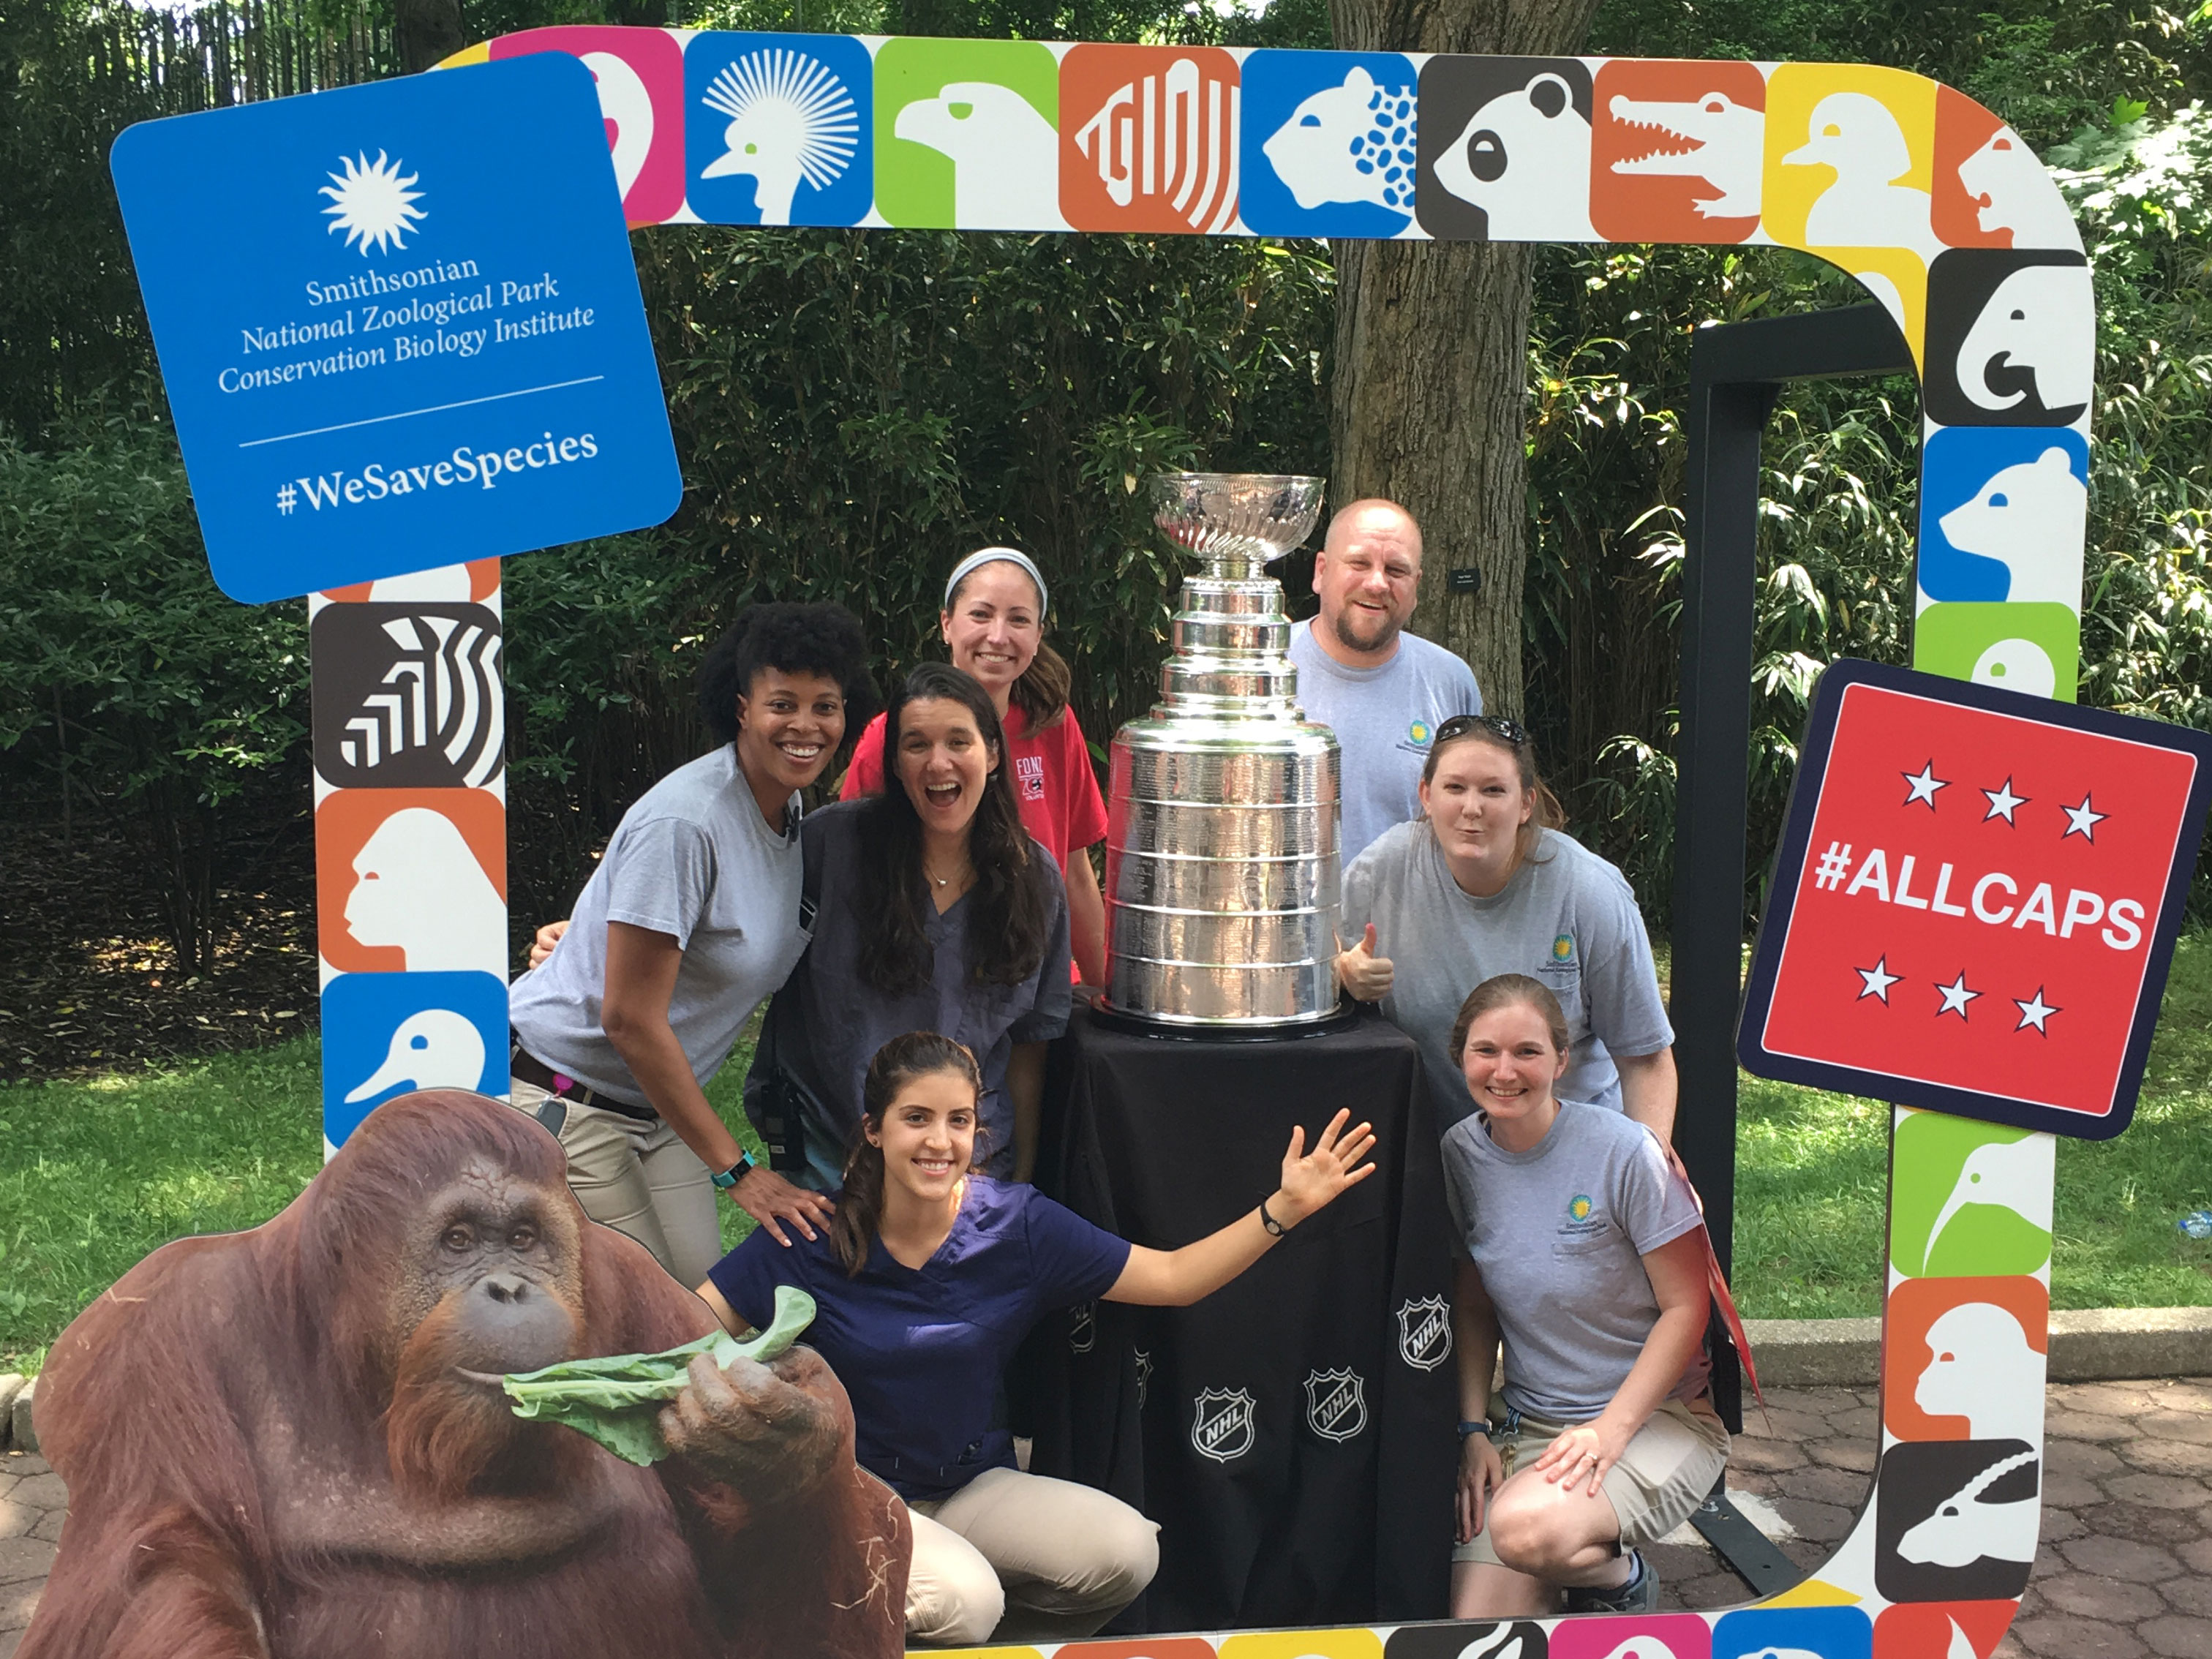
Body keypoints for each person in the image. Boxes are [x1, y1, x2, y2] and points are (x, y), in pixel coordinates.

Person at [698, 1030, 1377, 1646]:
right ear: (874, 1130)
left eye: (958, 1121)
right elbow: (695, 1330)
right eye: (917, 1118)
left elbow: (1173, 1278)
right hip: (844, 1494)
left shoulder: (1016, 1227)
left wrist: (1282, 1210)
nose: (940, 1141)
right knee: (962, 1601)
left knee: (1126, 1551)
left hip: (966, 1487)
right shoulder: (809, 1234)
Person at [506, 603, 876, 1284]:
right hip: (570, 1101)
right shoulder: (689, 821)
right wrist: (739, 1171)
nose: (806, 726)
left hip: (658, 1112)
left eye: (826, 706)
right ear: (741, 709)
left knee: (703, 1315)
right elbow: (627, 1017)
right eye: (783, 704)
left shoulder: (785, 808)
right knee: (641, 1330)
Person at [1443, 975, 1723, 1617]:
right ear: (1461, 1058)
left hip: (1654, 1420)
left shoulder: (1625, 1152)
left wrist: (1608, 1432)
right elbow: (1476, 1301)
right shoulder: (1460, 1154)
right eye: (1486, 1051)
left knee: (1526, 1532)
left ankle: (1620, 1581)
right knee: (1472, 1630)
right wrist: (1472, 1430)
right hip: (1533, 1425)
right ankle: (1579, 1571)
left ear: (1563, 1060)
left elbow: (1689, 1308)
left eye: (1528, 1052)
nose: (1505, 1071)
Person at [761, 661, 1072, 1192]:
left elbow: (1029, 1045)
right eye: (916, 744)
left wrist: (1021, 1175)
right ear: (895, 763)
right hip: (830, 1163)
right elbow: (724, 922)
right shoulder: (830, 849)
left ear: (993, 754)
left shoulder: (1033, 877)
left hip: (969, 1170)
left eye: (958, 741)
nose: (938, 763)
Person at [1336, 714, 1678, 1142]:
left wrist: (1648, 1175)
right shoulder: (1384, 868)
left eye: (1494, 790)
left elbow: (1645, 1059)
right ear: (1426, 795)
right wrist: (1342, 972)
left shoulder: (1588, 891)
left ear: (1526, 804)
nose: (1472, 808)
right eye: (1455, 787)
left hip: (1570, 1148)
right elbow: (1308, 966)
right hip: (1434, 1146)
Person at [842, 548, 1110, 987]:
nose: (998, 636)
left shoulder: (1053, 723)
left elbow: (1075, 872)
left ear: (1039, 633)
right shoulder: (891, 734)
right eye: (981, 615)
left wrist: (1104, 993)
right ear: (947, 624)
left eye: (1019, 620)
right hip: (928, 983)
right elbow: (854, 875)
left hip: (1038, 978)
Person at [1290, 499, 1483, 865]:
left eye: (1396, 570)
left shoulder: (1450, 682)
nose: (1377, 583)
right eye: (1359, 563)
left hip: (1405, 919)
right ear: (1321, 571)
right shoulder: (1260, 668)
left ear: (1416, 585)